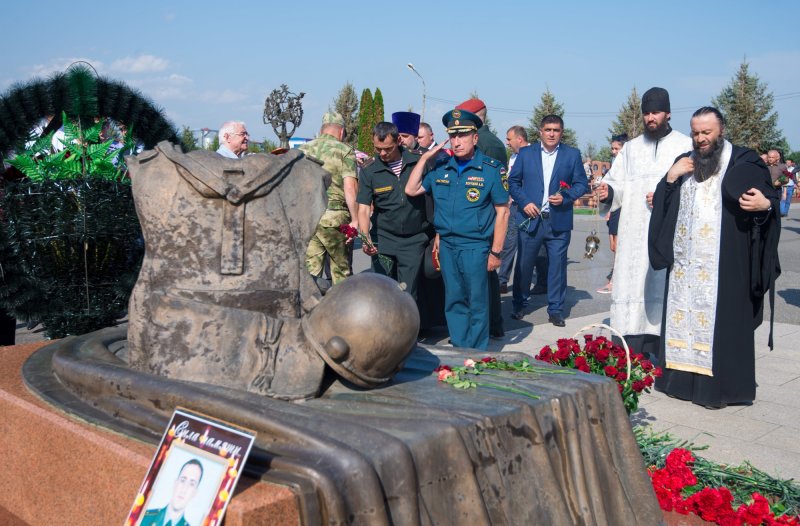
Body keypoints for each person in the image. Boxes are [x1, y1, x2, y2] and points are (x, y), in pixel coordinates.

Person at [648, 106, 781, 409]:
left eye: (706, 132)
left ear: (721, 130)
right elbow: (663, 206)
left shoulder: (743, 160)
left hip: (726, 265)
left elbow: (768, 200)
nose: (700, 138)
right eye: (695, 133)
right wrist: (670, 178)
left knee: (722, 324)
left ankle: (721, 391)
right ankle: (679, 384)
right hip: (685, 266)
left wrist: (766, 205)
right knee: (683, 319)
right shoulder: (684, 162)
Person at [596, 87, 692, 361]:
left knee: (663, 285)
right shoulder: (632, 149)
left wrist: (666, 197)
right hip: (633, 231)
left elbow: (695, 187)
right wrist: (608, 192)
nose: (651, 118)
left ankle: (664, 349)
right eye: (647, 113)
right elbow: (616, 182)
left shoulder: (684, 146)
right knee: (631, 283)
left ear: (668, 113)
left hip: (667, 231)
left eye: (656, 112)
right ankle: (630, 350)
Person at [405, 108, 509, 350]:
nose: (457, 141)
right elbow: (411, 190)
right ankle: (461, 348)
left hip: (475, 246)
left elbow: (503, 212)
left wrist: (496, 252)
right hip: (448, 246)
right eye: (453, 136)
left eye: (463, 135)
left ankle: (477, 352)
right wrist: (424, 159)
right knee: (454, 299)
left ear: (475, 137)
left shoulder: (491, 170)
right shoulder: (441, 168)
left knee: (477, 301)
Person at [508, 115, 588, 326]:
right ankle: (518, 304)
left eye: (556, 130)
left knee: (557, 267)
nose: (552, 134)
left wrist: (567, 196)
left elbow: (582, 184)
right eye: (548, 130)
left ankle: (556, 310)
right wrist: (524, 202)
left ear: (561, 132)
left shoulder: (572, 155)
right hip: (531, 219)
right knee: (524, 265)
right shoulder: (526, 153)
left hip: (558, 221)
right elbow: (513, 182)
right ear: (540, 132)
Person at [357, 122, 431, 302]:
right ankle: (383, 330)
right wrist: (365, 238)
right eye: (378, 148)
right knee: (382, 290)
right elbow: (364, 208)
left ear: (399, 140)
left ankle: (410, 330)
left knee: (407, 291)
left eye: (387, 149)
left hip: (414, 239)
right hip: (383, 238)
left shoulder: (417, 162)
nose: (382, 153)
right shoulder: (369, 169)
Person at [455, 98, 507, 338]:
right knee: (482, 280)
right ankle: (490, 324)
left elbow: (494, 188)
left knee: (484, 281)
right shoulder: (490, 140)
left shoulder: (489, 144)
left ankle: (491, 325)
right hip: (477, 221)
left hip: (482, 221)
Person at [299, 112, 358, 288]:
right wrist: (355, 220)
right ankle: (342, 313)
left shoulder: (303, 150)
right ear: (341, 132)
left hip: (308, 218)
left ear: (322, 129)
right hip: (335, 219)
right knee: (341, 273)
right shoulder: (344, 150)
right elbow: (350, 187)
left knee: (310, 273)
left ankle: (310, 312)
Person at [498, 126, 547, 295]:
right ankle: (502, 280)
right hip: (514, 206)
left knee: (538, 247)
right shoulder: (513, 157)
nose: (507, 142)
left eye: (509, 139)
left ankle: (542, 281)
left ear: (519, 139)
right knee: (510, 243)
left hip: (531, 208)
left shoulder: (535, 155)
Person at [596, 133, 629, 294]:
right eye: (612, 148)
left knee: (620, 246)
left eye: (617, 148)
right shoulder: (615, 164)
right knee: (614, 245)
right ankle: (616, 277)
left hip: (624, 208)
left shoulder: (628, 164)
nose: (614, 151)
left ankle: (615, 281)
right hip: (614, 208)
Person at [141, 459, 204, 526]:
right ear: (175, 483)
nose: (184, 489)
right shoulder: (144, 517)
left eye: (192, 484)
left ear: (194, 493)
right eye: (183, 480)